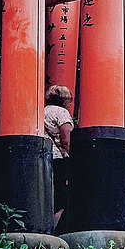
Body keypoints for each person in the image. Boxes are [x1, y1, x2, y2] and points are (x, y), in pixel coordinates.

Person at [44, 85, 74, 219]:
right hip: (58, 158)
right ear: (64, 99)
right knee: (60, 197)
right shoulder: (62, 113)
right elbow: (67, 140)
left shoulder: (42, 110)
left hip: (42, 155)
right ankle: (54, 228)